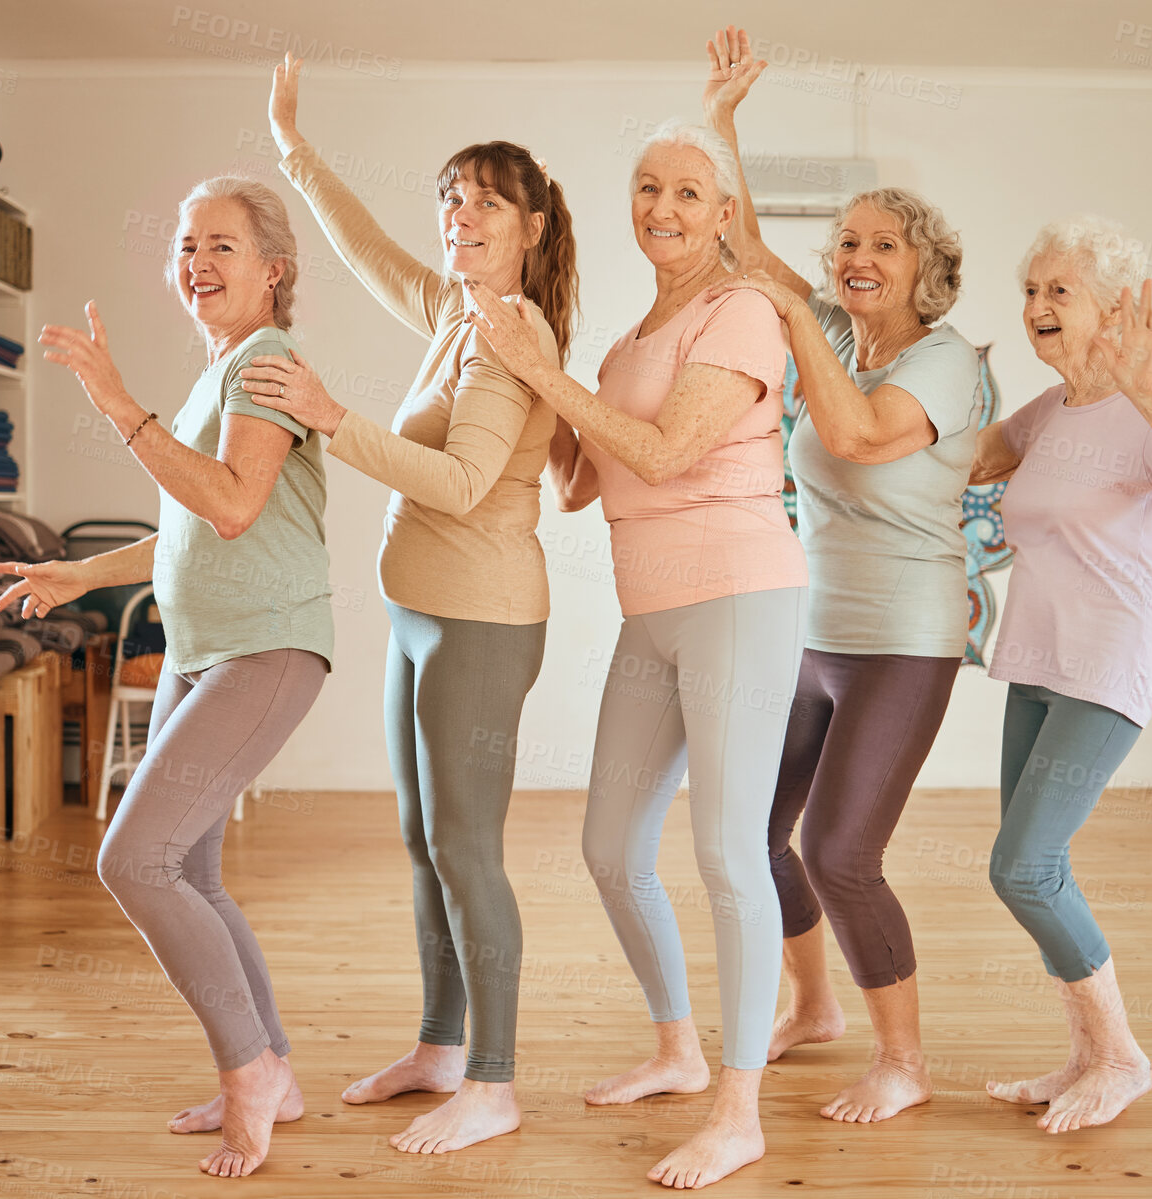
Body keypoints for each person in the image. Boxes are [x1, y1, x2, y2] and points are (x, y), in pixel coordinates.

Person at [230, 52, 578, 1155]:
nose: (458, 216)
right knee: (422, 837)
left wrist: (332, 417)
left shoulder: (512, 338)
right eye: (450, 199)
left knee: (468, 847)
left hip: (481, 618)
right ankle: (439, 1045)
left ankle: (495, 1077)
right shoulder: (452, 311)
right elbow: (365, 245)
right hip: (421, 615)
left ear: (528, 227)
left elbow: (466, 483)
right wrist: (291, 146)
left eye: (483, 201)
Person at [467, 119, 804, 1190]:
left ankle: (738, 1110)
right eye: (647, 186)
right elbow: (583, 478)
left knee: (723, 852)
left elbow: (661, 450)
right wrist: (530, 371)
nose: (662, 205)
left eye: (688, 192)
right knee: (611, 844)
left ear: (724, 215)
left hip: (738, 598)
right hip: (648, 610)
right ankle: (675, 1046)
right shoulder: (623, 343)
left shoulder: (740, 312)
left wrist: (543, 375)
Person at [0, 173, 334, 1177]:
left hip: (265, 646)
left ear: (274, 271)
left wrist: (110, 396)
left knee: (132, 858)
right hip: (203, 644)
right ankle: (273, 1063)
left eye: (222, 244)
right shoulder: (218, 371)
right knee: (185, 867)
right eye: (187, 244)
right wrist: (79, 572)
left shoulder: (267, 362)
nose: (197, 262)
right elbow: (185, 529)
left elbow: (231, 505)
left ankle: (246, 1074)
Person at [700, 25, 984, 1123]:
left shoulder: (944, 360)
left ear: (924, 271)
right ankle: (811, 1006)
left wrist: (802, 319)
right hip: (808, 631)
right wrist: (723, 127)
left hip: (905, 639)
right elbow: (750, 261)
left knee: (839, 849)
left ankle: (901, 1058)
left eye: (883, 247)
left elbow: (862, 436)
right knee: (752, 832)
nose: (855, 259)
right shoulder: (828, 327)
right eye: (846, 245)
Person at [969, 216, 1152, 1133]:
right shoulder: (1047, 413)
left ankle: (1121, 1055)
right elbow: (958, 457)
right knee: (1029, 865)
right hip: (1038, 660)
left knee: (1025, 866)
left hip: (1110, 660)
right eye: (1032, 291)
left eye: (1060, 291)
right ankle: (1086, 1053)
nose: (1038, 307)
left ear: (1112, 309)